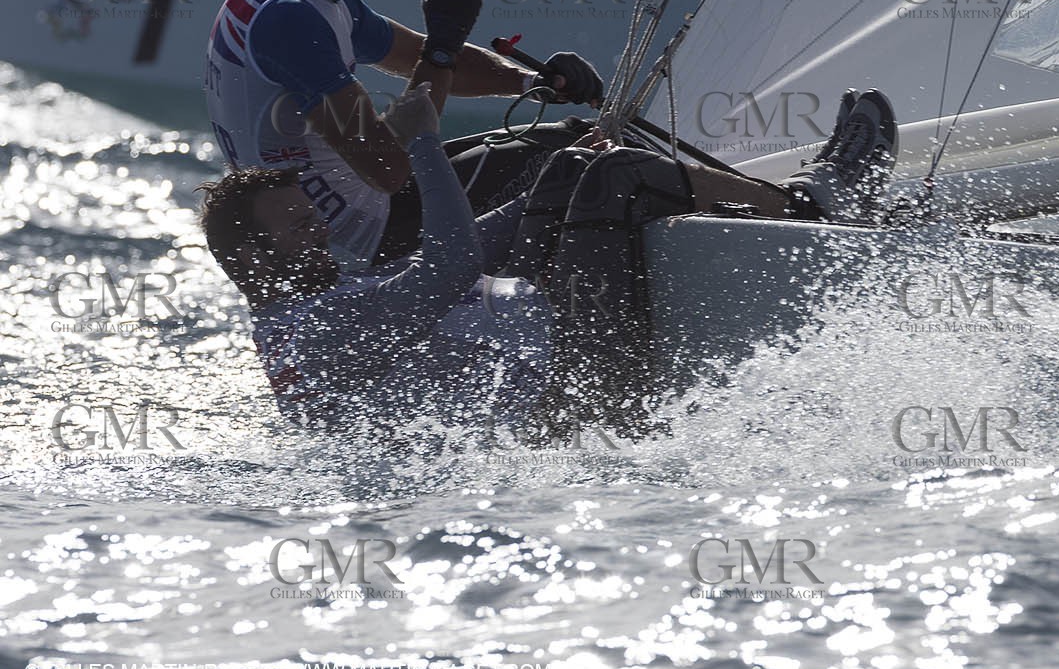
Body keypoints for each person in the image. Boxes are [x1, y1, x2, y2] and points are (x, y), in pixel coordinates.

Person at [199, 83, 900, 437]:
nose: (318, 229)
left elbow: (465, 257)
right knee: (617, 177)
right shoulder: (318, 326)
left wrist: (550, 180)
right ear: (258, 257)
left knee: (574, 169)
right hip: (583, 394)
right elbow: (447, 267)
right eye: (297, 226)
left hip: (553, 350)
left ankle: (758, 205)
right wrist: (421, 142)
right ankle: (812, 203)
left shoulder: (312, 308)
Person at [203, 0, 607, 270]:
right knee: (579, 156)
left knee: (566, 135)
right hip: (359, 237)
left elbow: (414, 55)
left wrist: (534, 81)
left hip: (351, 210)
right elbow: (388, 169)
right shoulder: (290, 18)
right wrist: (443, 45)